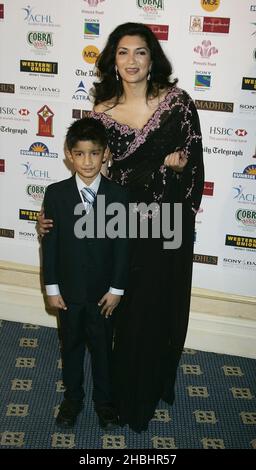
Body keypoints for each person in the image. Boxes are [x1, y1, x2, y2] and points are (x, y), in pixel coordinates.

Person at [39, 22, 204, 433]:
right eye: (123, 52)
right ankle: (121, 395)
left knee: (157, 311)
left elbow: (197, 172)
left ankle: (147, 388)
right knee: (125, 315)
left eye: (140, 52)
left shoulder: (179, 104)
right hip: (124, 227)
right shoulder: (101, 115)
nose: (131, 61)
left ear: (153, 59)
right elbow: (95, 182)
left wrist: (178, 172)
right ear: (113, 60)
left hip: (167, 227)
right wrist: (57, 225)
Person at [41, 117, 129, 429]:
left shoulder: (118, 196)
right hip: (69, 293)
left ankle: (104, 402)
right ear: (68, 154)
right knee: (72, 347)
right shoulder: (56, 194)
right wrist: (52, 287)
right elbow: (49, 245)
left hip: (104, 294)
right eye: (80, 153)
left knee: (104, 349)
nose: (87, 161)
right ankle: (72, 398)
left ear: (105, 153)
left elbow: (122, 247)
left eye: (94, 153)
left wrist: (117, 289)